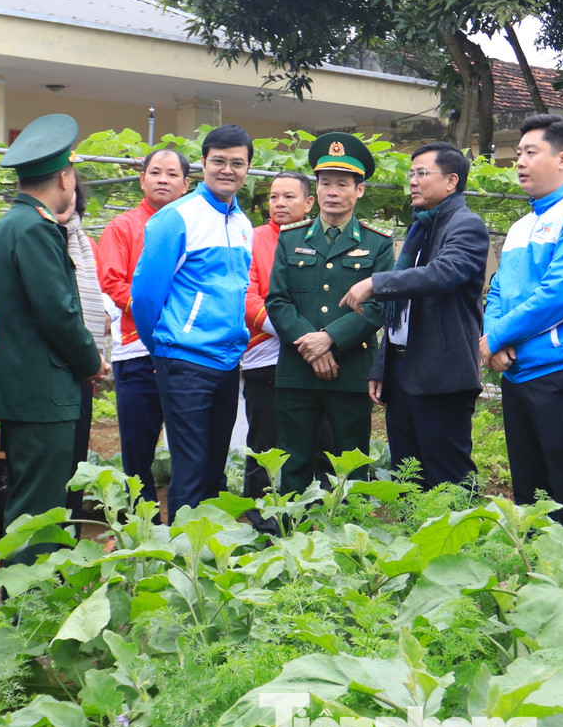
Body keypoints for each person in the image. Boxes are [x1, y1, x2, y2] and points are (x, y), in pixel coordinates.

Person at [0, 114, 107, 567]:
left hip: (25, 388)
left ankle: (28, 602)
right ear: (63, 175)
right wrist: (90, 360)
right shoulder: (37, 227)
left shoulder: (10, 223)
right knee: (41, 510)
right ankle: (29, 608)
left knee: (30, 502)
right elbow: (59, 313)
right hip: (44, 390)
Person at [483, 114, 563, 550]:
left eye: (530, 152)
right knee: (529, 493)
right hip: (518, 373)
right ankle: (538, 580)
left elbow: (560, 296)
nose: (519, 161)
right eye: (518, 153)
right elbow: (497, 289)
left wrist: (496, 338)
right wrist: (493, 338)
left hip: (559, 373)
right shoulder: (521, 225)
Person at [344, 141, 490, 490]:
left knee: (448, 477)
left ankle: (460, 544)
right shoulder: (421, 229)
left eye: (422, 173)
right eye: (411, 174)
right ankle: (414, 543)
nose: (412, 181)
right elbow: (401, 315)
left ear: (452, 181)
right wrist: (383, 367)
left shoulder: (465, 225)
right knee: (408, 476)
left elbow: (444, 274)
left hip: (442, 376)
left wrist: (376, 282)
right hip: (405, 373)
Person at [132, 125, 254, 522]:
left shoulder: (242, 224)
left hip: (226, 359)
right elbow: (146, 296)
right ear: (203, 164)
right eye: (218, 161)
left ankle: (209, 551)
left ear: (248, 168)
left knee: (215, 464)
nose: (227, 170)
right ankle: (180, 556)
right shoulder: (176, 218)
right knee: (190, 464)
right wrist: (164, 348)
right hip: (185, 359)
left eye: (237, 163)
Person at [267, 133, 394, 494]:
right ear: (316, 191)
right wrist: (311, 346)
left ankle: (347, 540)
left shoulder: (378, 243)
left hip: (350, 371)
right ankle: (290, 538)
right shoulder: (290, 238)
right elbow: (277, 300)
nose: (332, 191)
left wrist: (330, 340)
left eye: (342, 184)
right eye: (325, 183)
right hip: (296, 370)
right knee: (293, 465)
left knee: (350, 467)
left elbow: (379, 306)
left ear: (360, 191)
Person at [97, 148, 190, 515]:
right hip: (138, 351)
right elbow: (112, 281)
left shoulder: (192, 225)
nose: (162, 180)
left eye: (171, 174)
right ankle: (141, 520)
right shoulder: (123, 227)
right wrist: (158, 315)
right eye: (155, 173)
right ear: (142, 179)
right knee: (138, 446)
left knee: (189, 441)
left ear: (186, 184)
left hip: (187, 353)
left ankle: (186, 519)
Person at [241, 170, 316, 498]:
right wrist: (294, 333)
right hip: (266, 354)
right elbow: (246, 294)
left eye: (289, 196)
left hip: (316, 356)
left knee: (316, 440)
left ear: (308, 202)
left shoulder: (321, 238)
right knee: (264, 444)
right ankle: (261, 519)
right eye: (273, 197)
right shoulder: (253, 238)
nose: (279, 203)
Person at [60, 173, 109, 520]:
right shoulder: (37, 236)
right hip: (52, 371)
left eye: (72, 194)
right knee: (48, 470)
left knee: (75, 458)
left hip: (82, 373)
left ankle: (70, 541)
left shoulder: (84, 243)